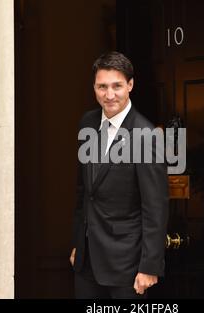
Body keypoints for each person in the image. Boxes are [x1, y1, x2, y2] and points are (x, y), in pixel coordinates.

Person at [69, 51, 169, 299]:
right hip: (87, 261)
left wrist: (150, 266)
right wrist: (77, 245)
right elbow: (84, 190)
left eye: (117, 86)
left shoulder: (146, 135)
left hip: (128, 264)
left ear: (130, 85)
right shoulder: (87, 123)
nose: (109, 94)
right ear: (94, 87)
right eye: (102, 86)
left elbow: (155, 207)